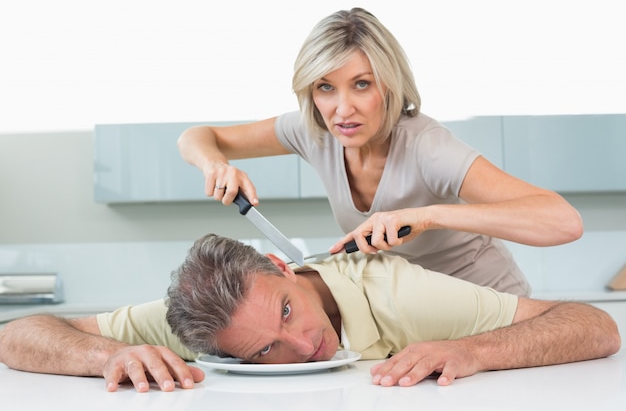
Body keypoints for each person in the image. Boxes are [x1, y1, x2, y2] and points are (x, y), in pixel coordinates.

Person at [176, 7, 583, 297]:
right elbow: (196, 136)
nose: (343, 108)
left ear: (388, 84)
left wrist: (426, 216)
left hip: (491, 304)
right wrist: (216, 163)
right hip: (416, 309)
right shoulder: (313, 132)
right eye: (325, 87)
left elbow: (563, 222)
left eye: (362, 84)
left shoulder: (427, 148)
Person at [0, 233, 620, 393]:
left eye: (289, 310)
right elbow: (15, 334)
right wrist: (108, 354)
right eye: (264, 350)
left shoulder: (400, 294)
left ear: (281, 265)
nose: (301, 345)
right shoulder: (203, 322)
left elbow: (597, 324)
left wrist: (474, 351)